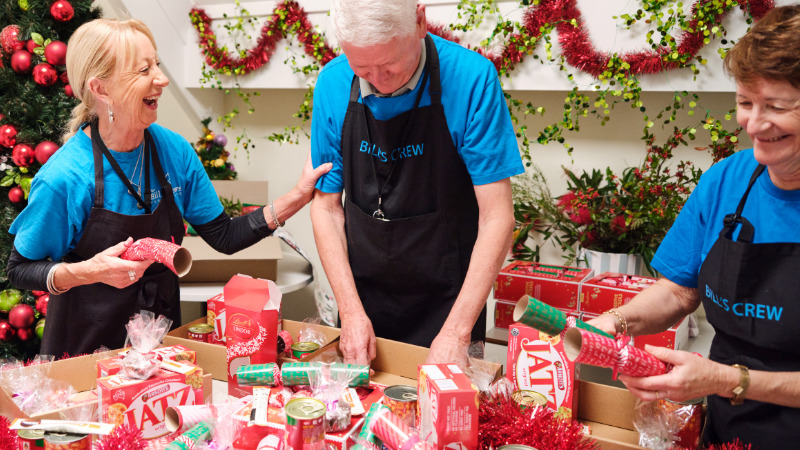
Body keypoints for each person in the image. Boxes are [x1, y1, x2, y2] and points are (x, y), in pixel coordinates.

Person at [6, 18, 331, 358]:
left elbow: (224, 236)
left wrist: (298, 196)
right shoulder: (67, 176)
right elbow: (20, 269)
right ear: (101, 90)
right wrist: (88, 271)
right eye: (144, 70)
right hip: (86, 349)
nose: (161, 80)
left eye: (157, 65)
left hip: (160, 345)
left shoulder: (174, 151)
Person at [587, 6, 800, 447]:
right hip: (728, 432)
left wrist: (729, 380)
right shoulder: (727, 181)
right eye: (745, 103)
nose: (753, 124)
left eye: (776, 107)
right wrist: (615, 322)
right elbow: (678, 291)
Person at [310, 0, 524, 366]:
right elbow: (327, 208)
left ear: (420, 22)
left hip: (449, 302)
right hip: (363, 300)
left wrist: (457, 332)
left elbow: (497, 217)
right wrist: (349, 312)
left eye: (390, 66)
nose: (377, 80)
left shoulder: (472, 80)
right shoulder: (333, 83)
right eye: (362, 67)